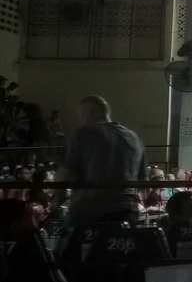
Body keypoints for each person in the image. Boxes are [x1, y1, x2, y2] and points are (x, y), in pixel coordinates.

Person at [53, 95, 147, 230]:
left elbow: (65, 173)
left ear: (91, 111)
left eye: (81, 115)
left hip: (89, 210)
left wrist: (57, 199)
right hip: (126, 211)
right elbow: (143, 181)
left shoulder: (83, 133)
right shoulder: (134, 138)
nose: (80, 120)